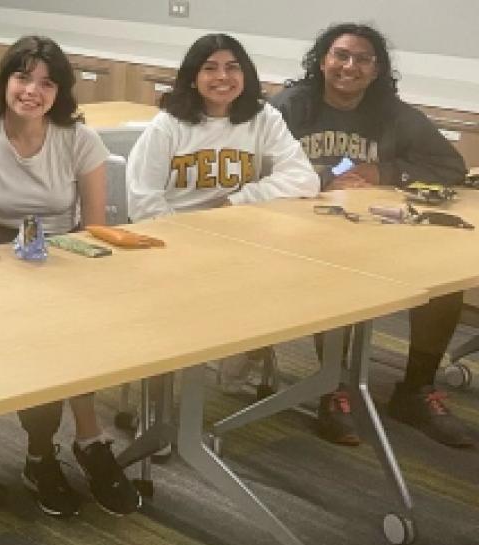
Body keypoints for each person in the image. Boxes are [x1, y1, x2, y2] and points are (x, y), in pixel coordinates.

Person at [0, 35, 141, 520]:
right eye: (22, 77)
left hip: (65, 251)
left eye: (47, 83)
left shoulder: (78, 139)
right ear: (5, 80)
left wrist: (69, 274)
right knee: (42, 334)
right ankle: (50, 450)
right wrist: (6, 275)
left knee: (75, 326)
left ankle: (83, 440)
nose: (32, 91)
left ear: (60, 93)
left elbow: (94, 225)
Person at [271, 23, 472, 448]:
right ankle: (332, 388)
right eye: (341, 55)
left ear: (377, 70)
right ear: (322, 60)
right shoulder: (292, 106)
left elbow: (450, 166)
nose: (350, 66)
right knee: (338, 279)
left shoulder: (393, 114)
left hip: (375, 227)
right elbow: (257, 163)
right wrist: (323, 177)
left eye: (363, 59)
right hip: (301, 229)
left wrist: (384, 172)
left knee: (443, 283)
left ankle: (416, 390)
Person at [125, 33, 320, 393]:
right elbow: (143, 202)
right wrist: (187, 237)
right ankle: (163, 399)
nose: (222, 77)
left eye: (233, 67)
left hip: (239, 239)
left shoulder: (263, 118)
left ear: (246, 74)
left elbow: (304, 178)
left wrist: (237, 200)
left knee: (288, 281)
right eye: (210, 68)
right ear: (193, 77)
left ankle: (237, 367)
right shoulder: (169, 125)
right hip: (173, 244)